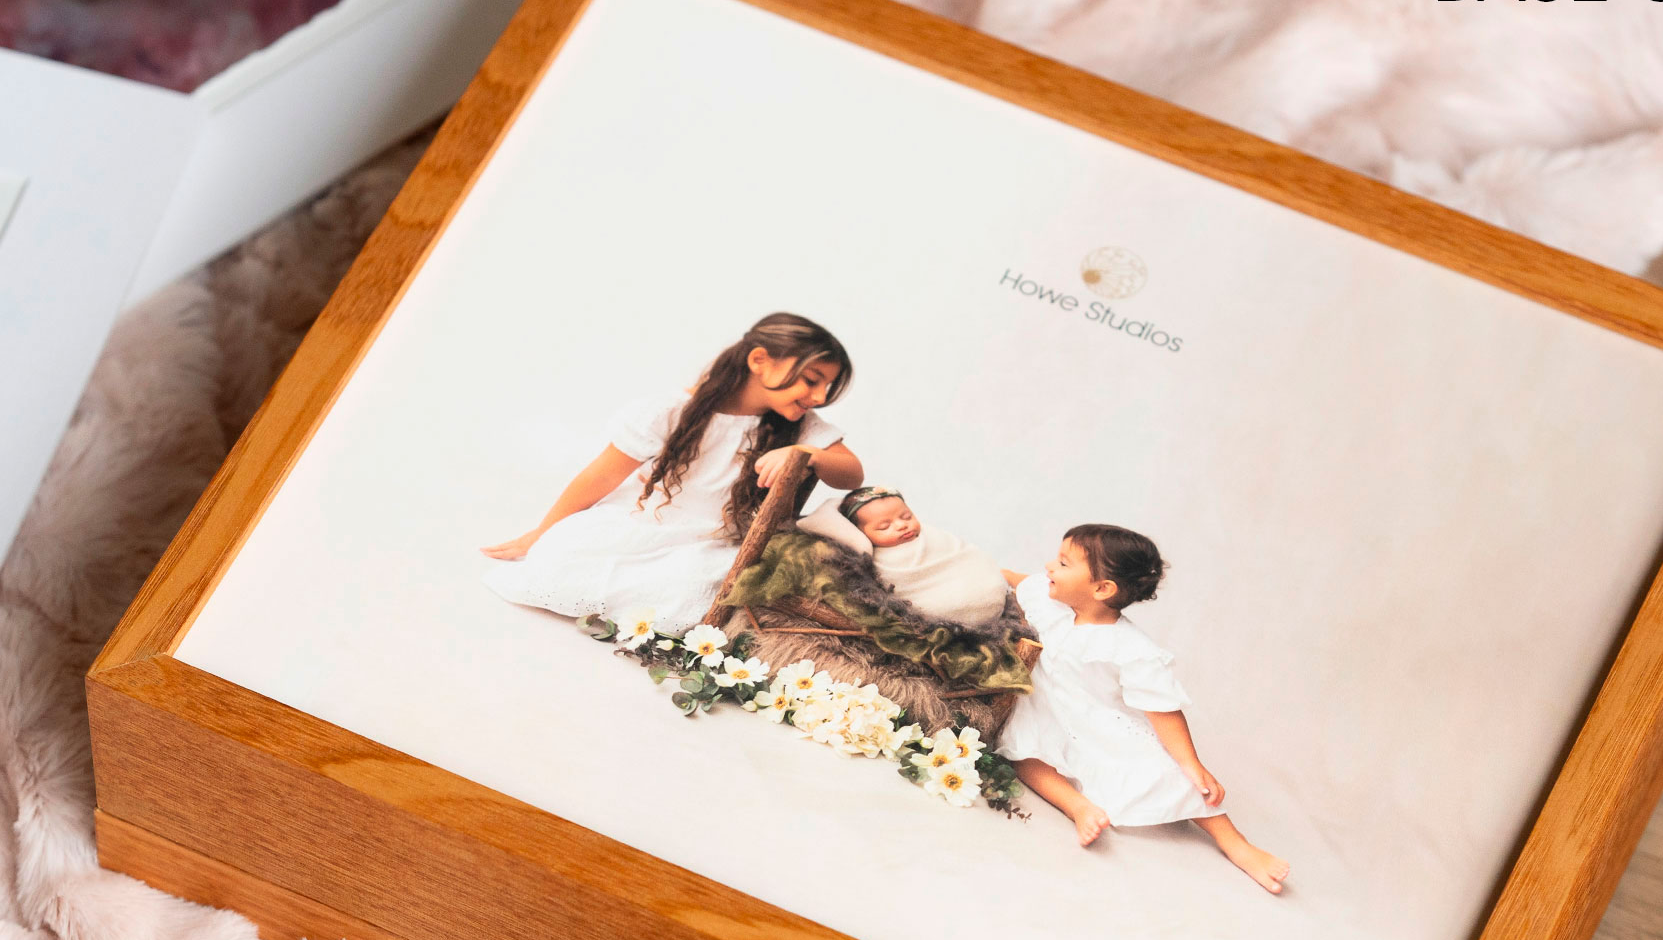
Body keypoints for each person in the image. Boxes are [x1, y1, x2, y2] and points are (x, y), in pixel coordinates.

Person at [481, 314, 863, 631]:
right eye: (811, 380)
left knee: (689, 585)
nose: (819, 397)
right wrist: (540, 533)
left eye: (826, 387)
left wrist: (806, 453)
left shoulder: (802, 429)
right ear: (759, 360)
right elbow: (600, 477)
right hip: (647, 524)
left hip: (712, 543)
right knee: (563, 552)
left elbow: (851, 474)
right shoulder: (671, 411)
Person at [998, 525, 1289, 894]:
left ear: (1102, 589)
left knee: (1169, 773)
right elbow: (1016, 579)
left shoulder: (1131, 648)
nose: (1049, 567)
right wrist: (983, 571)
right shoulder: (1050, 601)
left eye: (1063, 563)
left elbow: (1162, 709)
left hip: (1100, 720)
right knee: (1024, 756)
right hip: (1044, 709)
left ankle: (1237, 844)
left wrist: (1191, 764)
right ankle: (1079, 808)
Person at [833, 487, 1009, 629]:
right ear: (861, 533)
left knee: (992, 579)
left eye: (906, 517)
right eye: (885, 526)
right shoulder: (877, 559)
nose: (902, 525)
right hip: (944, 608)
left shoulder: (932, 536)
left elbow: (966, 555)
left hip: (982, 591)